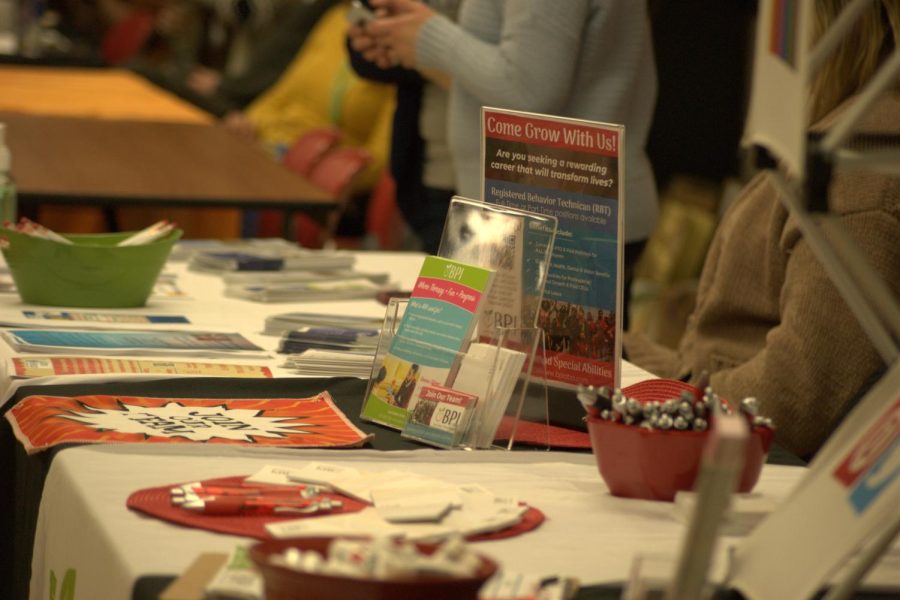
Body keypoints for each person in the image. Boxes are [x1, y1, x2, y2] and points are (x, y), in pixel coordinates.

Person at [624, 0, 900, 460]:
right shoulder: (837, 145)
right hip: (719, 435)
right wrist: (613, 360)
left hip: (735, 462)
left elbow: (796, 399)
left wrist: (652, 396)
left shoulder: (856, 170)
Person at [359, 0, 659, 278]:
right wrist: (405, 35)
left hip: (558, 218)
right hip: (532, 211)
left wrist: (429, 35)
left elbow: (528, 88)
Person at [347, 0, 460, 253]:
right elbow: (361, 51)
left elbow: (518, 76)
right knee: (446, 284)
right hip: (430, 166)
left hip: (508, 168)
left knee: (506, 288)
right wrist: (383, 38)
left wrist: (423, 46)